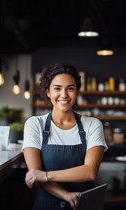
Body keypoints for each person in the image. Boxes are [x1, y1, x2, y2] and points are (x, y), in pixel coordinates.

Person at [22, 63, 107, 210]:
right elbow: (36, 174)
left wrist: (46, 175)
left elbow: (90, 171)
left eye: (70, 88)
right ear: (48, 92)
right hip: (46, 205)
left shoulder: (92, 124)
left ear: (77, 91)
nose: (64, 95)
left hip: (83, 203)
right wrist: (66, 195)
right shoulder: (35, 124)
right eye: (57, 88)